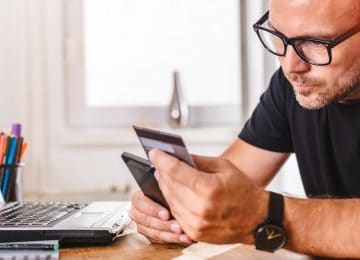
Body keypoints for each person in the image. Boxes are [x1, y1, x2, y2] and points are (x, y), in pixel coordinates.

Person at [129, 0, 360, 258]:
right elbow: (230, 187)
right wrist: (172, 206)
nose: (291, 66)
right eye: (278, 36)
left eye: (317, 42)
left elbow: (249, 210)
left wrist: (269, 215)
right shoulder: (291, 86)